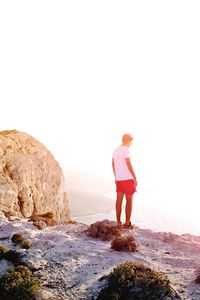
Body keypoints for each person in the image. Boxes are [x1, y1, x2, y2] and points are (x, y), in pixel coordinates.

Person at [112, 134, 137, 228]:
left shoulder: (115, 150)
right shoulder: (126, 149)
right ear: (127, 140)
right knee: (129, 201)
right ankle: (127, 223)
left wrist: (116, 176)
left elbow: (113, 164)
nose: (131, 143)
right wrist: (134, 177)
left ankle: (118, 222)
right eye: (131, 141)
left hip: (119, 179)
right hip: (128, 179)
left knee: (119, 200)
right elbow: (128, 162)